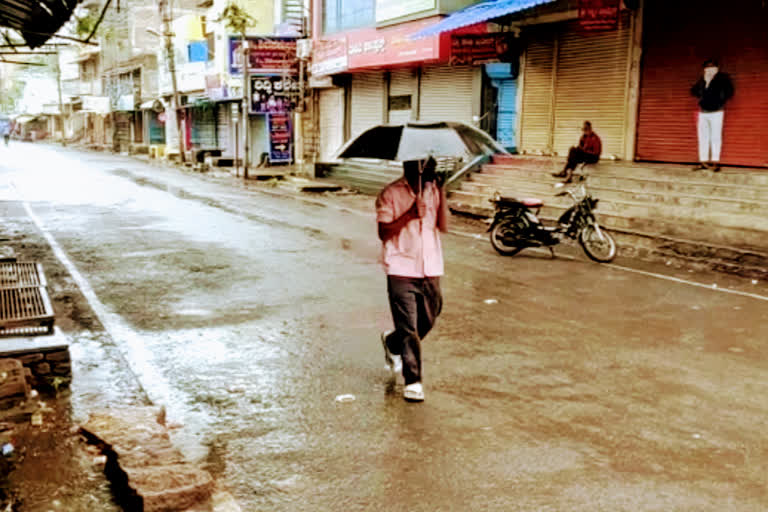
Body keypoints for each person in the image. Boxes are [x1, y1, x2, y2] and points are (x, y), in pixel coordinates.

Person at [375, 156, 449, 403]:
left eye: (432, 167)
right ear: (410, 167)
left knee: (429, 317)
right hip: (401, 266)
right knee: (409, 327)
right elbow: (383, 232)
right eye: (425, 167)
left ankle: (392, 342)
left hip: (431, 266)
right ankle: (413, 381)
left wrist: (442, 192)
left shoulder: (433, 191)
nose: (430, 171)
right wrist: (409, 214)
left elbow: (444, 225)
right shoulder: (390, 193)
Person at [690, 59, 734, 172]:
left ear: (717, 69)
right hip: (703, 112)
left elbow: (730, 92)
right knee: (703, 137)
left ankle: (715, 162)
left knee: (715, 137)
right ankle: (703, 161)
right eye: (707, 68)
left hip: (717, 112)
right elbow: (693, 92)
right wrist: (704, 82)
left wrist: (720, 100)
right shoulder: (703, 79)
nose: (709, 70)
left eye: (712, 68)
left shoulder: (723, 78)